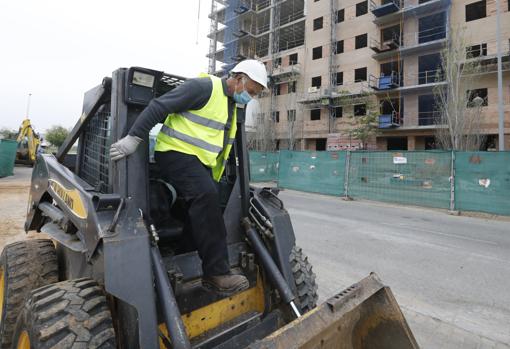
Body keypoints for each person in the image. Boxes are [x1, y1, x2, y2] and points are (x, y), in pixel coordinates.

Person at [109, 60, 268, 295]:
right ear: (239, 78)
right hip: (174, 153)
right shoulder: (204, 88)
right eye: (251, 91)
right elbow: (158, 106)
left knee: (205, 207)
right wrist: (134, 138)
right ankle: (216, 273)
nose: (250, 97)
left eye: (254, 94)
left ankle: (183, 254)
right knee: (206, 195)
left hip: (197, 162)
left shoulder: (231, 106)